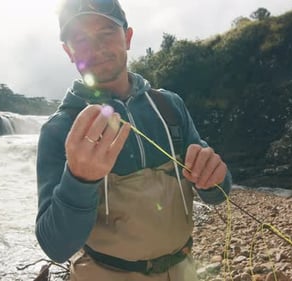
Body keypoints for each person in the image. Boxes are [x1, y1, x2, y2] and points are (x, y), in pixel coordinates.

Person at [35, 0, 232, 280]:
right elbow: (56, 246)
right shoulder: (59, 129)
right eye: (81, 39)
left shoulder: (170, 106)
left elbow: (216, 192)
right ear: (68, 51)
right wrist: (80, 179)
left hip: (184, 271)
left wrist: (215, 180)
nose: (98, 48)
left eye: (106, 33)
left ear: (127, 38)